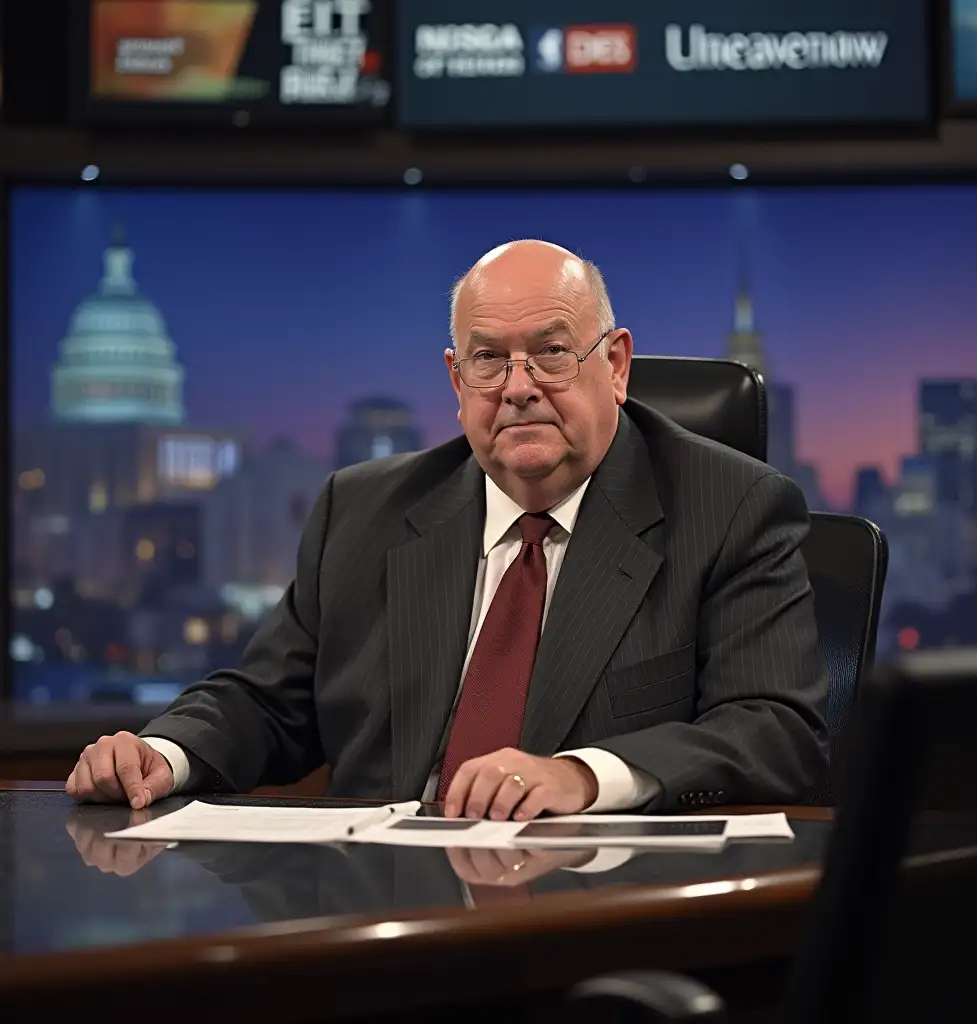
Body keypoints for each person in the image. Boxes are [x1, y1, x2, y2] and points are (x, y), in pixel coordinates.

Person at [66, 240, 829, 820]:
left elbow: (776, 729)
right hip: (376, 912)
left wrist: (582, 774)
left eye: (553, 353)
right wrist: (162, 754)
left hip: (589, 909)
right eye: (488, 359)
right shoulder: (362, 510)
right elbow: (270, 700)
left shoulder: (731, 507)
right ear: (455, 380)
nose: (519, 387)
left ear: (617, 365)